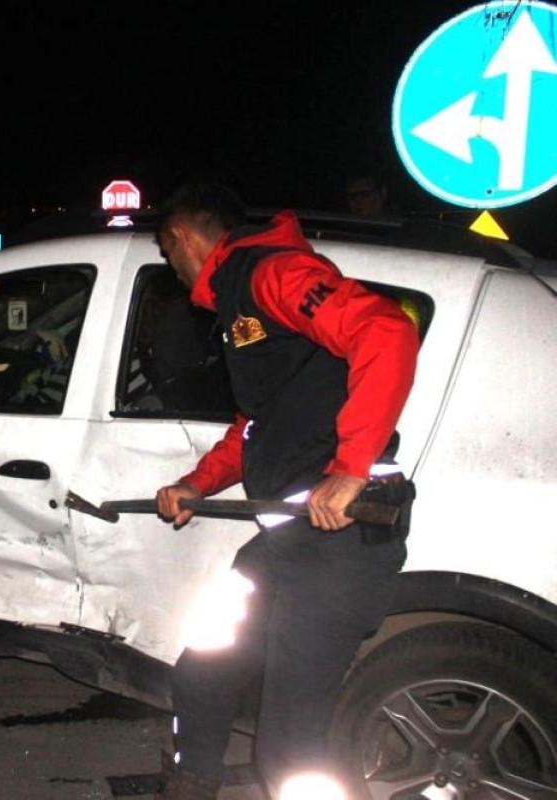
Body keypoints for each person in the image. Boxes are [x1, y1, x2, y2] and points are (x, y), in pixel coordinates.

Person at [151, 182, 419, 799]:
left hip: (340, 546)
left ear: (183, 237)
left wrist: (351, 466)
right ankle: (193, 782)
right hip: (283, 544)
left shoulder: (272, 272)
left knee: (290, 745)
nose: (170, 266)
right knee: (203, 669)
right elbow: (256, 424)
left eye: (166, 252)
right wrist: (195, 484)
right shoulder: (237, 305)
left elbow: (386, 330)